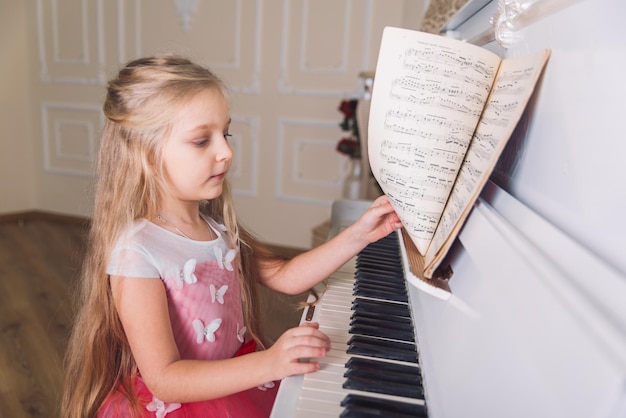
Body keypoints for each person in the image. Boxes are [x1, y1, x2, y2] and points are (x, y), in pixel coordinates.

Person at [60, 55, 402, 418]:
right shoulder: (137, 252)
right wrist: (270, 364)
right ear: (146, 155)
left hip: (236, 383)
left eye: (225, 134)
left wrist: (360, 234)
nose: (226, 152)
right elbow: (165, 379)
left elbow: (286, 276)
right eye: (201, 140)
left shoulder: (217, 228)